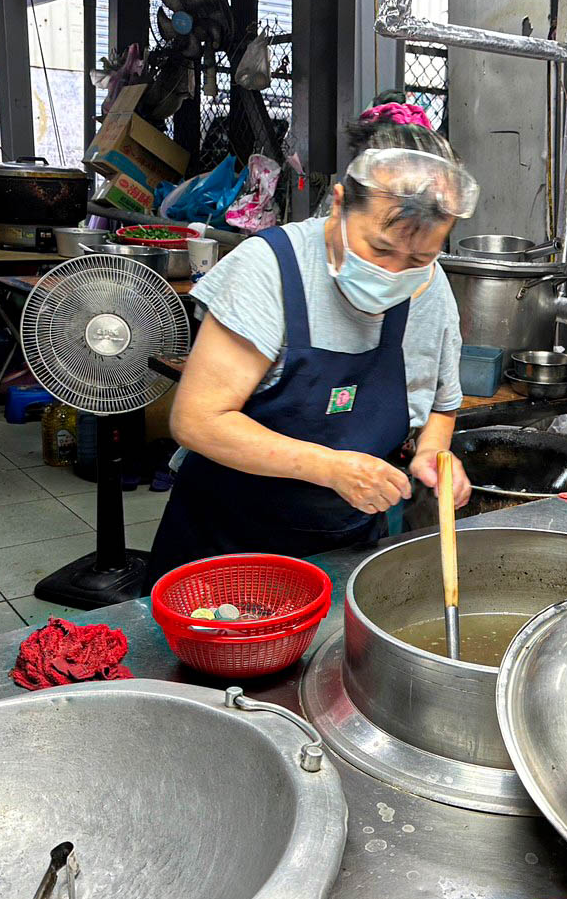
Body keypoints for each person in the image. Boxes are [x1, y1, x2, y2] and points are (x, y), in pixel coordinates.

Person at [147, 103, 475, 581]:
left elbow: (444, 405)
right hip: (225, 549)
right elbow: (197, 420)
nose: (394, 271)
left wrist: (431, 454)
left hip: (344, 552)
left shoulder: (431, 287)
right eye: (380, 248)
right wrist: (329, 468)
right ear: (340, 204)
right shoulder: (271, 269)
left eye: (419, 257)